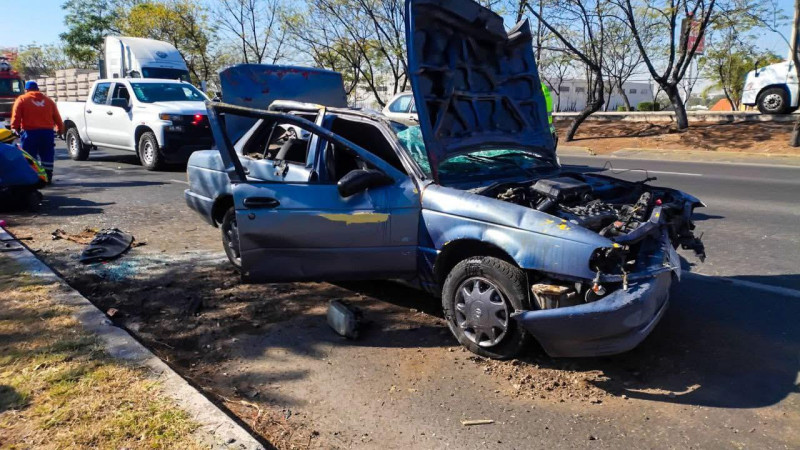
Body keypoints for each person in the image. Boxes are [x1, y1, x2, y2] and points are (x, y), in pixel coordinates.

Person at [10, 80, 64, 183]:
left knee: (30, 156)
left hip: (30, 133)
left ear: (26, 90)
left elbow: (16, 116)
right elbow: (57, 117)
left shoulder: (22, 99)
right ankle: (47, 177)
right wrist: (60, 129)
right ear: (38, 89)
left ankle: (33, 177)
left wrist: (14, 128)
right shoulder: (49, 101)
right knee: (47, 155)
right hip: (47, 133)